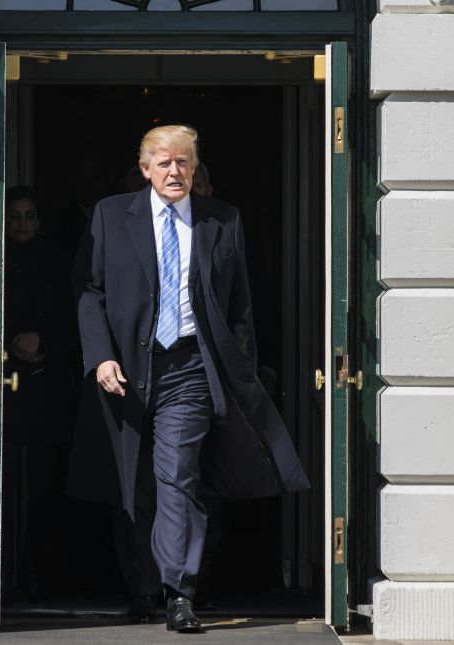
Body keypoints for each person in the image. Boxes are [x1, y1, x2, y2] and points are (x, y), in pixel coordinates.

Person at [69, 125, 310, 633]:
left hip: (190, 369)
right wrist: (100, 357)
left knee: (177, 475)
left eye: (182, 162)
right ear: (144, 169)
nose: (173, 171)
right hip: (127, 371)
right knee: (134, 483)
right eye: (162, 162)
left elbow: (239, 306)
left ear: (194, 169)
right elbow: (89, 292)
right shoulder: (111, 216)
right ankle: (141, 586)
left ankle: (180, 592)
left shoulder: (223, 221)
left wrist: (237, 371)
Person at [1, 186, 78, 600]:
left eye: (30, 216)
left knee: (45, 487)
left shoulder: (56, 262)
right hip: (4, 386)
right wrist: (14, 342)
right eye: (15, 216)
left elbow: (72, 317)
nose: (23, 224)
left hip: (46, 387)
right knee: (6, 484)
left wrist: (41, 338)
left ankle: (41, 577)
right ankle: (6, 576)